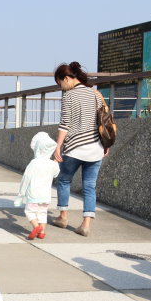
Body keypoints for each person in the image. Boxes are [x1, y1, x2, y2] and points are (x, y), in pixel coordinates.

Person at [51, 62, 108, 237]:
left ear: (67, 78)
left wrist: (58, 146)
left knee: (64, 180)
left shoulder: (69, 96)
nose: (61, 87)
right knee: (89, 186)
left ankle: (63, 216)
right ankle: (86, 224)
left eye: (60, 83)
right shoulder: (95, 94)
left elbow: (65, 123)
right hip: (96, 147)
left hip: (75, 148)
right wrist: (106, 144)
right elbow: (104, 121)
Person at [15, 132, 60, 240]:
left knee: (29, 212)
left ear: (37, 149)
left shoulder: (34, 163)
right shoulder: (52, 164)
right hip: (46, 196)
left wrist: (21, 194)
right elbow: (56, 174)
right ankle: (42, 232)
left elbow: (26, 178)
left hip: (33, 195)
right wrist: (56, 162)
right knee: (42, 214)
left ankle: (36, 227)